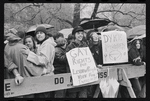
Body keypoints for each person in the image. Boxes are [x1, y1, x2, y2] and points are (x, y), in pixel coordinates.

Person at [4, 30, 44, 98]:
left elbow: (9, 63)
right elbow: (30, 67)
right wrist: (43, 70)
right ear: (22, 38)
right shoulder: (22, 48)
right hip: (25, 83)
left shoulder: (6, 47)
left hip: (11, 83)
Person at [26, 26, 57, 98]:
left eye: (41, 33)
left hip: (46, 75)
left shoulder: (47, 44)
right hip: (43, 74)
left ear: (45, 34)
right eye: (37, 33)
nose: (39, 35)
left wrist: (29, 54)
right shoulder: (42, 44)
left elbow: (44, 60)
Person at [65, 26, 88, 98]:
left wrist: (96, 66)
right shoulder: (70, 46)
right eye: (78, 33)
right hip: (74, 76)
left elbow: (89, 58)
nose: (80, 35)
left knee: (83, 95)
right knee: (73, 95)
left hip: (84, 76)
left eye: (82, 33)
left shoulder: (85, 45)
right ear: (74, 35)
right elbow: (67, 61)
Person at [86, 30, 103, 98]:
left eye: (96, 35)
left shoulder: (102, 45)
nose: (96, 37)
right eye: (93, 36)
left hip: (103, 68)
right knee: (92, 89)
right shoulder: (89, 47)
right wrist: (95, 66)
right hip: (93, 70)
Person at [53, 33, 67, 98]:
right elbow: (62, 59)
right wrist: (69, 55)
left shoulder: (61, 50)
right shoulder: (57, 50)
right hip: (59, 73)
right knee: (60, 93)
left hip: (62, 73)